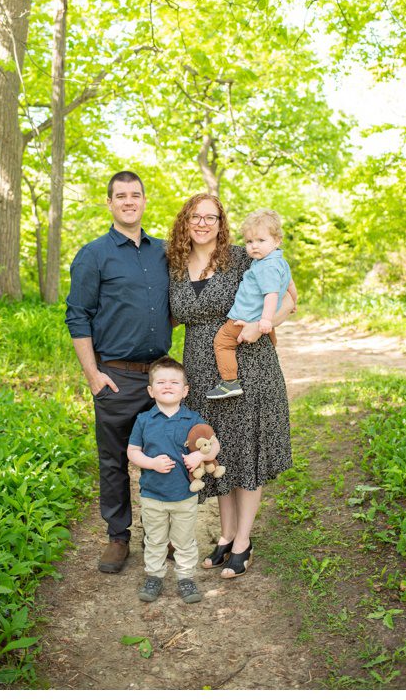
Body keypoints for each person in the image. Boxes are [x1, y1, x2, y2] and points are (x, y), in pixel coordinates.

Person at [167, 193, 297, 579]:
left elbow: (291, 298)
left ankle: (243, 541)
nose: (203, 223)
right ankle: (224, 538)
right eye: (196, 217)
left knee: (246, 450)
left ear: (221, 223)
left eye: (212, 217)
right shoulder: (174, 266)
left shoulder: (244, 255)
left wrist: (261, 326)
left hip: (247, 365)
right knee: (217, 454)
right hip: (201, 370)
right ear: (185, 222)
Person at [65, 171, 171, 574]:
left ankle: (160, 536)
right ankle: (118, 537)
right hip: (114, 374)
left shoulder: (164, 252)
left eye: (136, 195)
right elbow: (77, 317)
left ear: (145, 201)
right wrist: (93, 374)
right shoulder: (93, 254)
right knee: (113, 461)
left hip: (159, 376)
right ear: (109, 203)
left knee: (163, 456)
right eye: (121, 196)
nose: (129, 201)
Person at [127, 357, 219, 604]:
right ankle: (154, 576)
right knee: (155, 539)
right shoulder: (144, 420)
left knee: (184, 540)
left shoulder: (193, 419)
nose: (167, 386)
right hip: (152, 495)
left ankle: (185, 577)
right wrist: (152, 463)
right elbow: (133, 451)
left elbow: (214, 444)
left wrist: (200, 454)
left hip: (184, 496)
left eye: (174, 382)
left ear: (185, 390)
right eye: (161, 382)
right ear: (151, 390)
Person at [206, 210, 292, 401]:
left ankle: (229, 382)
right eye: (249, 242)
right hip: (258, 316)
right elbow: (288, 284)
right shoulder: (278, 262)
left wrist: (266, 320)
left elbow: (271, 294)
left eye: (261, 241)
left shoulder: (265, 266)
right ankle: (271, 344)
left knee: (222, 342)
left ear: (277, 241)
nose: (254, 247)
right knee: (270, 340)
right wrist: (292, 301)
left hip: (244, 317)